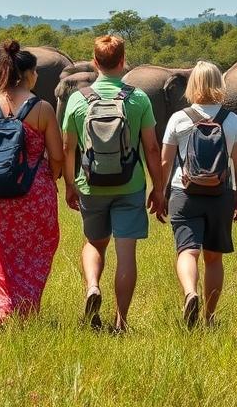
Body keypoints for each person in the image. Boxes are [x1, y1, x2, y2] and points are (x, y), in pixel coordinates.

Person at [62, 35, 165, 333]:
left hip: (90, 184)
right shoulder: (138, 98)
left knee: (94, 243)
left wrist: (70, 185)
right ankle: (121, 321)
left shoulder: (78, 100)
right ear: (123, 61)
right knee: (126, 252)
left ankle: (93, 286)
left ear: (95, 63)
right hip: (129, 184)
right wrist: (157, 188)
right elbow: (152, 148)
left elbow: (69, 148)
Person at [0, 40, 64, 323]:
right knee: (33, 255)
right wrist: (49, 175)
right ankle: (24, 310)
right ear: (27, 74)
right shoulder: (43, 109)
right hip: (34, 196)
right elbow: (57, 155)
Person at [160, 61, 237, 328]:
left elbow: (165, 162)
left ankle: (190, 292)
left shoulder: (178, 118)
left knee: (187, 251)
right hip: (220, 195)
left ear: (192, 85)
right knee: (214, 257)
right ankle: (209, 317)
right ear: (219, 84)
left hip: (183, 193)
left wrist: (160, 193)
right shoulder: (232, 120)